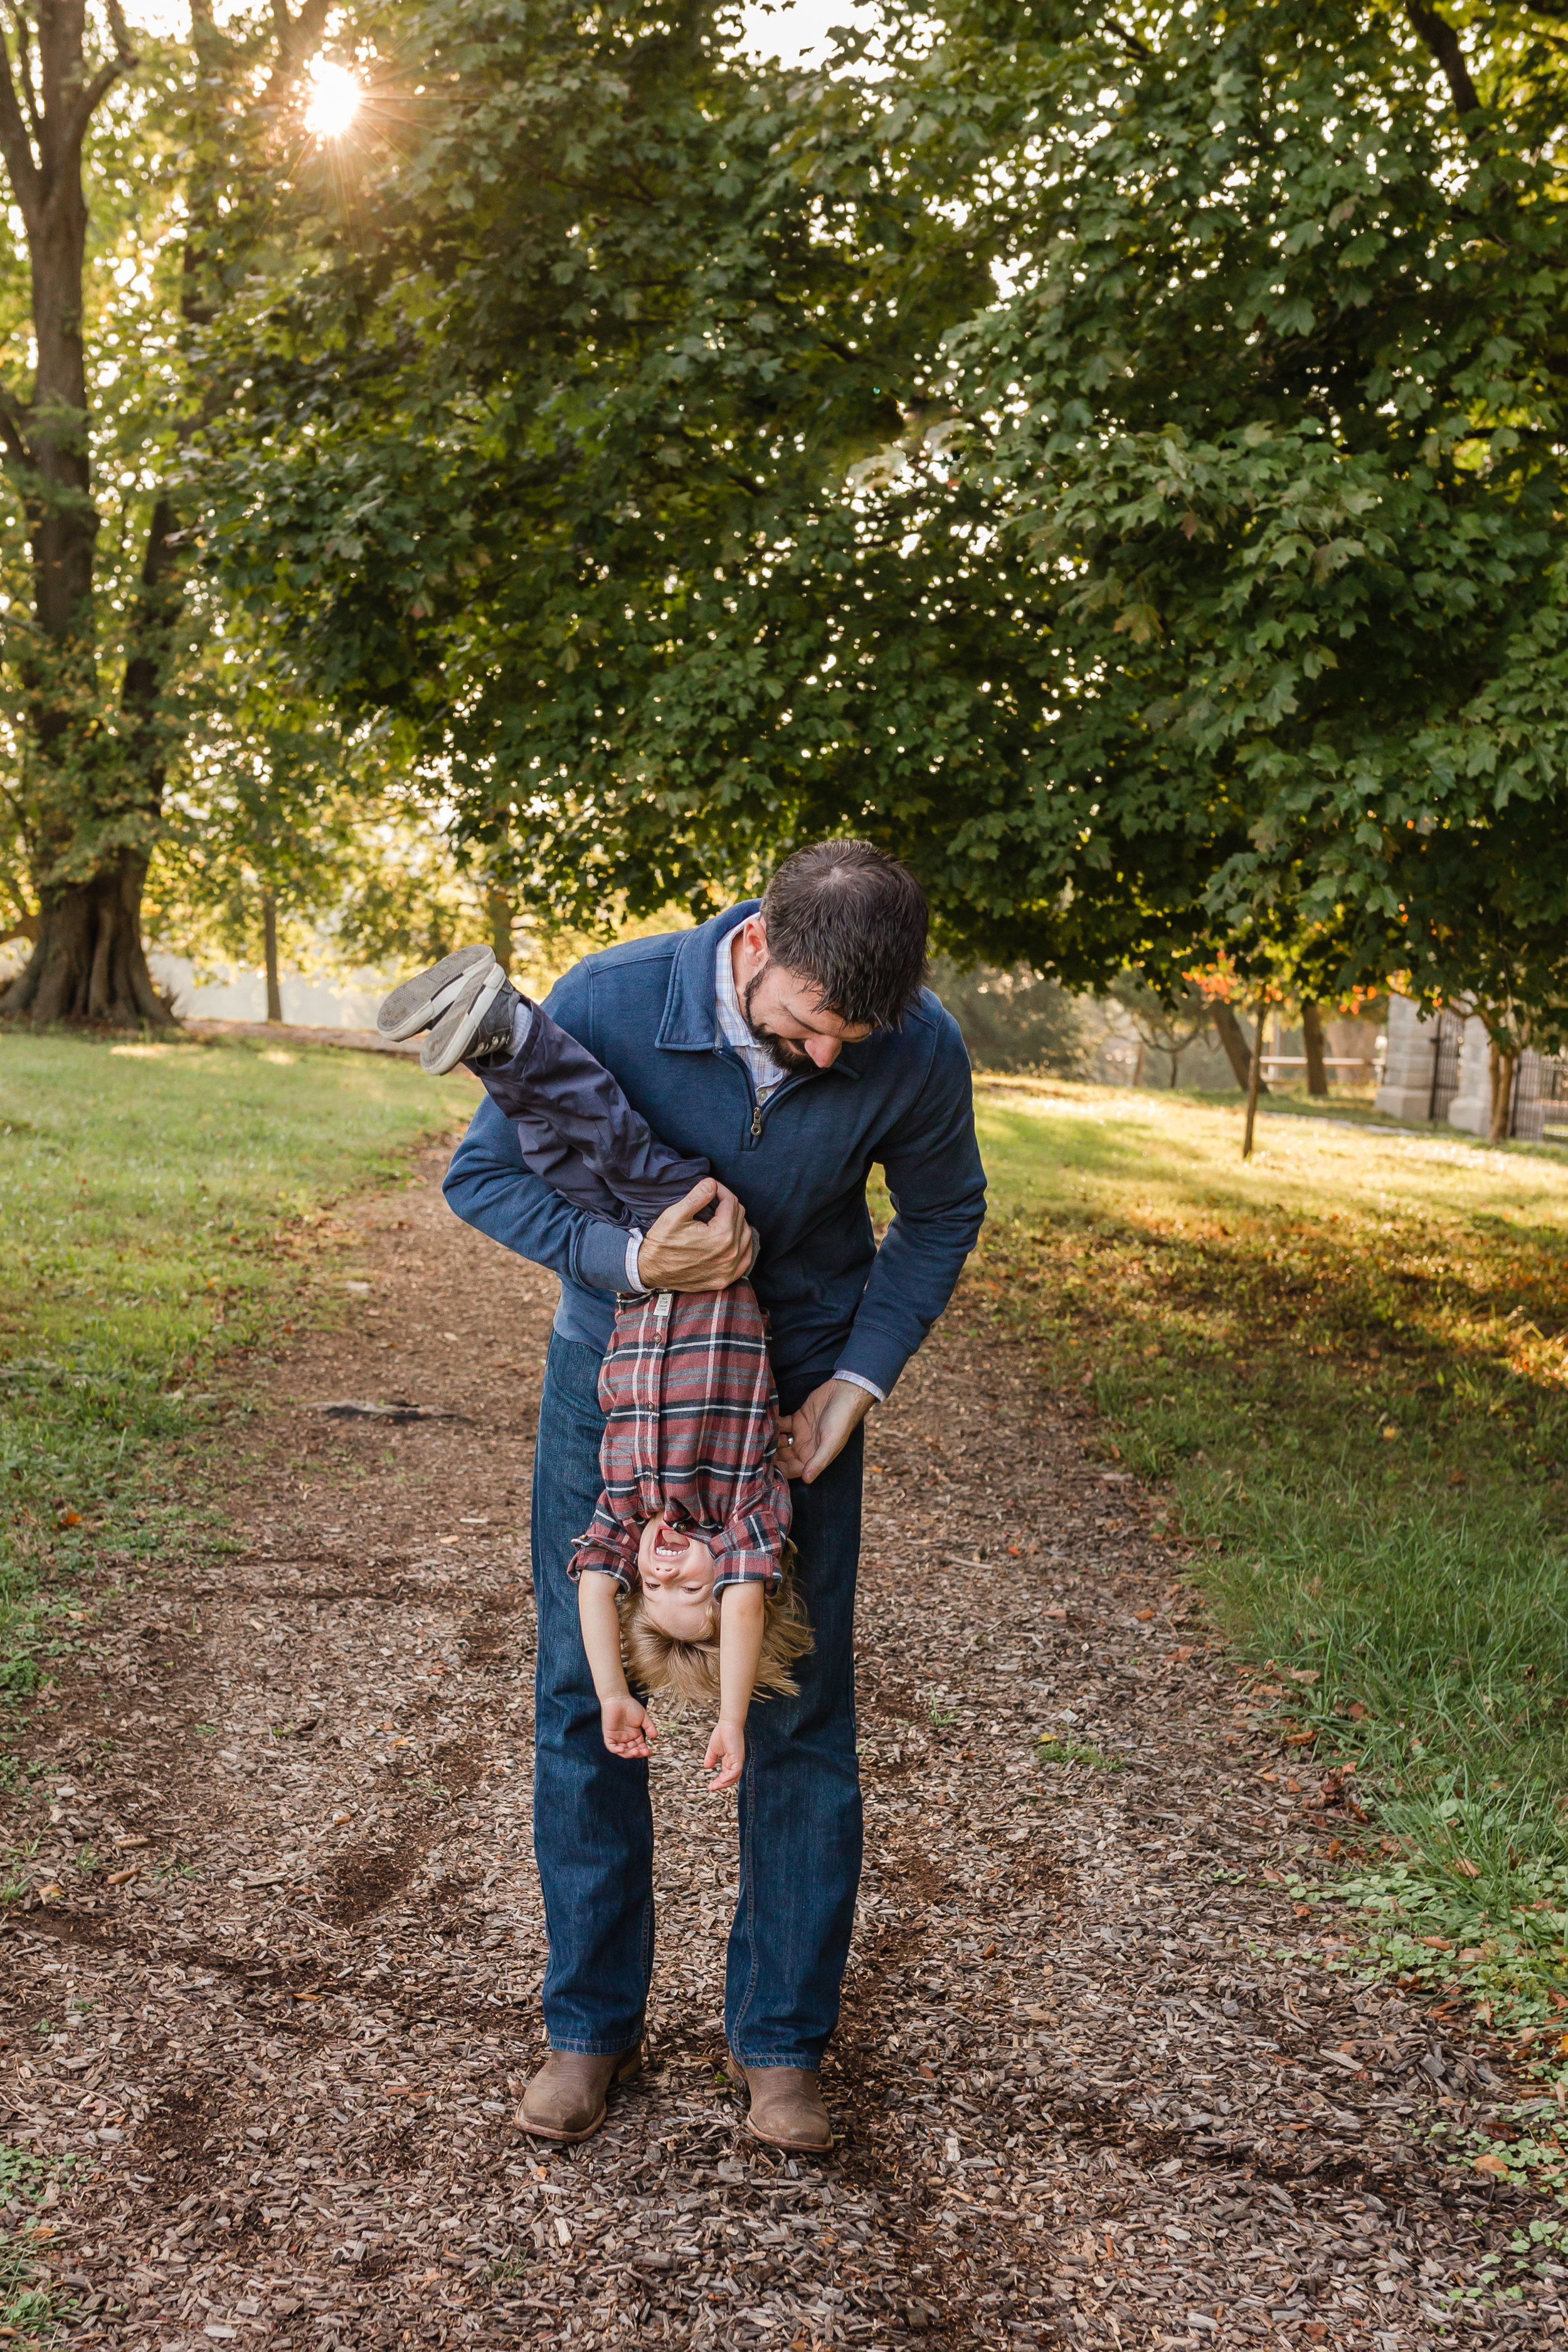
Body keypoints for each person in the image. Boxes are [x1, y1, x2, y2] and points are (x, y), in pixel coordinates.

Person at [442, 840, 988, 2152]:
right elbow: (486, 1177)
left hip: (792, 1396)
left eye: (845, 1042)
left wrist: (853, 1387)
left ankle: (781, 2048)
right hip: (612, 1387)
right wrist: (629, 1256)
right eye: (804, 1026)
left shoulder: (914, 1047)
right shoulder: (617, 996)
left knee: (794, 1699)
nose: (820, 1059)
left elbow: (940, 1213)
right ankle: (587, 2028)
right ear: (756, 949)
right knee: (586, 1693)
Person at [378, 944, 807, 1801]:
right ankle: (507, 1024)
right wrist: (729, 1717)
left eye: (656, 1585)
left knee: (561, 1158)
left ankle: (493, 1050)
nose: (668, 1566)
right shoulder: (748, 1510)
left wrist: (615, 1692)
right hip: (699, 1232)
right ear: (732, 1576)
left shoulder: (624, 1509)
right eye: (695, 1585)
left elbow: (593, 1586)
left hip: (644, 1276)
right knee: (608, 1136)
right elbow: (744, 1605)